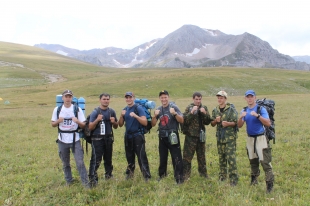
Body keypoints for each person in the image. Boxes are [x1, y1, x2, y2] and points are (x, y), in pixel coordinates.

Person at [237, 90, 274, 193]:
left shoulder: (260, 109)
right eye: (247, 97)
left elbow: (268, 123)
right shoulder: (244, 110)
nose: (249, 98)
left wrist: (258, 116)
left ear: (254, 97)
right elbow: (239, 125)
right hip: (250, 138)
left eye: (251, 97)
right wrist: (240, 117)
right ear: (245, 98)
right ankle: (254, 181)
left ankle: (269, 186)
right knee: (252, 161)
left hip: (261, 138)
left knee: (265, 162)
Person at [51, 90, 89, 188]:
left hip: (75, 139)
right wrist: (58, 121)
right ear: (62, 98)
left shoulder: (77, 109)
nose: (68, 98)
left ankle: (85, 183)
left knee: (80, 162)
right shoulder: (57, 109)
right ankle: (69, 180)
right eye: (66, 96)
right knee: (65, 163)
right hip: (62, 140)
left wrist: (77, 122)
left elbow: (84, 125)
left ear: (72, 98)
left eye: (69, 96)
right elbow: (53, 124)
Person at [151, 90, 184, 184]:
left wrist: (174, 113)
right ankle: (162, 175)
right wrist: (154, 116)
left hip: (173, 136)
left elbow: (181, 120)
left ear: (168, 97)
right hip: (162, 136)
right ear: (159, 99)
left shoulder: (174, 107)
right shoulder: (158, 109)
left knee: (176, 157)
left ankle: (179, 178)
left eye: (165, 97)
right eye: (162, 97)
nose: (164, 99)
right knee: (162, 157)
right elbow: (153, 124)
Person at [118, 92, 151, 181]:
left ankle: (146, 176)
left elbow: (145, 122)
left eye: (130, 97)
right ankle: (130, 174)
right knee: (129, 156)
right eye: (127, 98)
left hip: (138, 136)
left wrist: (136, 116)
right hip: (128, 136)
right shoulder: (125, 109)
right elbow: (120, 125)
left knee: (141, 156)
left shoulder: (138, 108)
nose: (128, 99)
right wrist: (121, 115)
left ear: (133, 98)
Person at [88, 93, 118, 186]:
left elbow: (116, 126)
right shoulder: (95, 112)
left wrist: (114, 122)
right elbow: (90, 127)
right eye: (104, 99)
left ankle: (109, 175)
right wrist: (97, 120)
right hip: (97, 139)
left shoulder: (111, 111)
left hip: (108, 138)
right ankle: (92, 179)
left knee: (108, 159)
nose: (106, 101)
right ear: (100, 100)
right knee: (96, 160)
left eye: (107, 99)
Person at [211, 91, 239, 186]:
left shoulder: (231, 109)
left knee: (231, 159)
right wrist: (216, 120)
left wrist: (228, 124)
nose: (220, 99)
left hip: (230, 138)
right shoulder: (215, 110)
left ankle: (233, 179)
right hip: (220, 138)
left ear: (225, 99)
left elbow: (236, 123)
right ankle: (222, 176)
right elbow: (212, 123)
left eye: (221, 98)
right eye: (218, 98)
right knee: (221, 158)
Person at [182, 92, 212, 180]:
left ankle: (203, 174)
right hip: (190, 136)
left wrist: (204, 113)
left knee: (201, 156)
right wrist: (191, 112)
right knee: (187, 157)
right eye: (196, 99)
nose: (198, 101)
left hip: (200, 136)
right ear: (193, 99)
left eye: (199, 99)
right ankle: (186, 175)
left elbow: (208, 121)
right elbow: (185, 121)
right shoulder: (189, 108)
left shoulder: (204, 108)